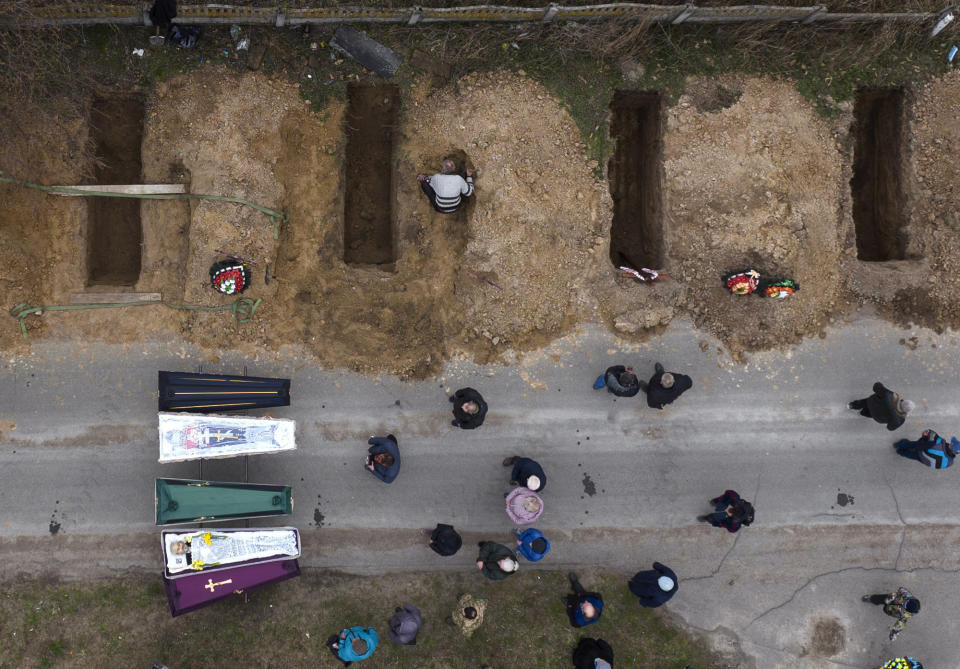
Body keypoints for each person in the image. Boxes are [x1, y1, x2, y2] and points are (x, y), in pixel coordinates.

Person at [849, 382, 914, 431]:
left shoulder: (889, 395)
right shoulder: (899, 420)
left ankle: (852, 405)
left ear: (902, 401)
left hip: (872, 402)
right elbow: (890, 428)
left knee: (865, 402)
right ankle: (862, 413)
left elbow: (876, 386)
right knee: (871, 412)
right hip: (877, 416)